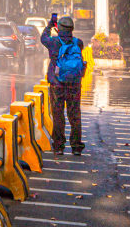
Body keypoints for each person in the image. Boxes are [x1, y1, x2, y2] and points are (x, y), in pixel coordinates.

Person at [41, 15, 87, 156]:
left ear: (59, 28)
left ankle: (59, 146)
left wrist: (50, 25)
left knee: (58, 115)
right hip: (74, 84)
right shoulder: (78, 43)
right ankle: (76, 147)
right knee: (75, 115)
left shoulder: (53, 42)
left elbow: (43, 38)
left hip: (57, 84)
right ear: (72, 28)